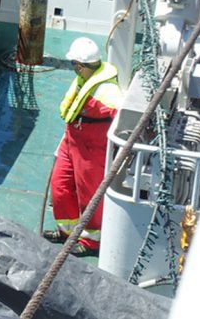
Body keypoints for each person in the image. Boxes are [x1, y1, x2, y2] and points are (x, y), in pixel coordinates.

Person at [44, 37, 123, 256]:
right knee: (60, 187)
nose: (73, 69)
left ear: (80, 65)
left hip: (91, 149)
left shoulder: (107, 91)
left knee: (89, 194)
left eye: (73, 65)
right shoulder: (83, 80)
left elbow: (123, 117)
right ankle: (67, 232)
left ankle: (91, 241)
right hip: (71, 141)